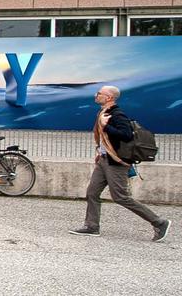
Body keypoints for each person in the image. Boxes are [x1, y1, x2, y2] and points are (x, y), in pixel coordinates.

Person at [70, 86, 171, 242]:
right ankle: (92, 226)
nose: (96, 95)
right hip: (104, 160)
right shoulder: (104, 112)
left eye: (99, 94)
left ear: (109, 97)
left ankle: (159, 222)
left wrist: (106, 126)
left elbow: (126, 135)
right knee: (92, 192)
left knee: (121, 197)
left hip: (115, 163)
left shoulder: (117, 114)